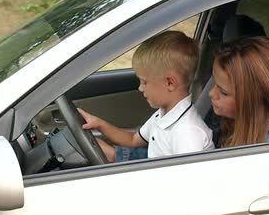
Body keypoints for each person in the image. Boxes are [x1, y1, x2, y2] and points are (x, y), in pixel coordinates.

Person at [78, 30, 214, 162]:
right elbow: (133, 140)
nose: (140, 88)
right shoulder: (163, 114)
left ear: (170, 83)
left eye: (144, 82)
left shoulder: (187, 133)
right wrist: (99, 124)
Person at [208, 36, 269, 148]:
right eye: (215, 84)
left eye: (224, 92)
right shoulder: (233, 118)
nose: (211, 93)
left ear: (253, 100)